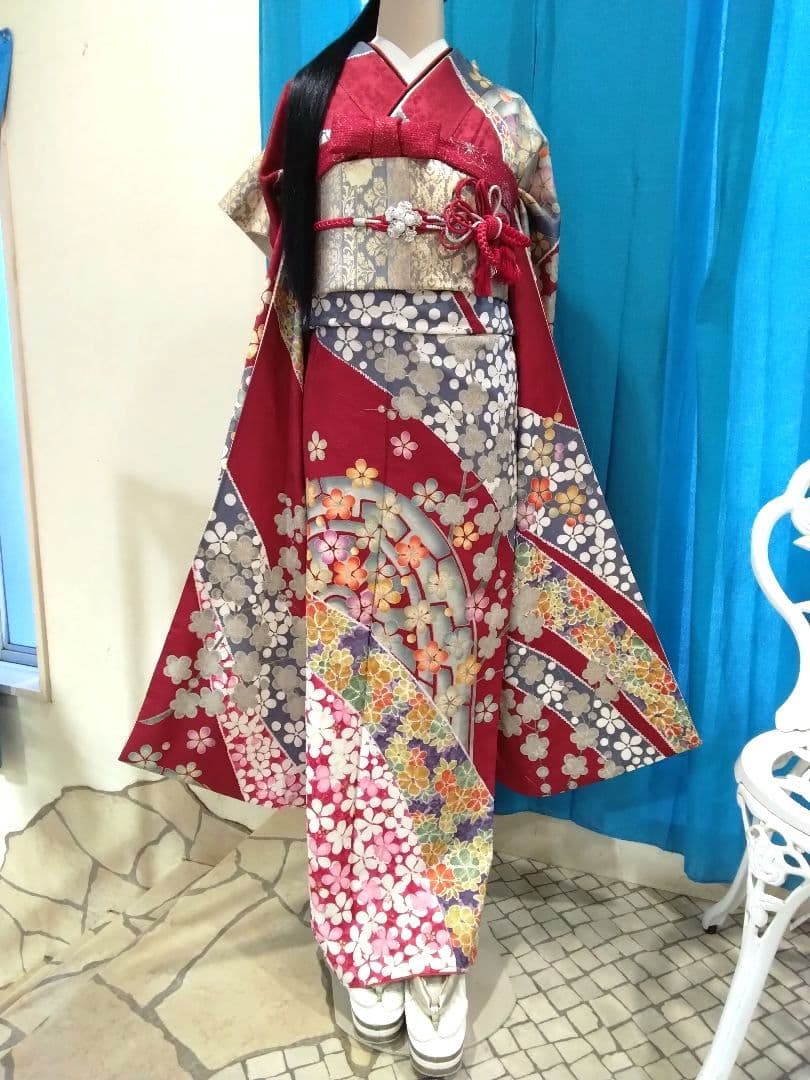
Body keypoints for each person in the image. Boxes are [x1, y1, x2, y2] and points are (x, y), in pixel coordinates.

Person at [118, 2, 700, 1074]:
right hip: (342, 430)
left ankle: (434, 946)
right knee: (348, 684)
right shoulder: (310, 99)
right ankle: (359, 934)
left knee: (447, 682)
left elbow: (534, 278)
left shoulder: (503, 115)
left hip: (469, 435)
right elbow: (284, 262)